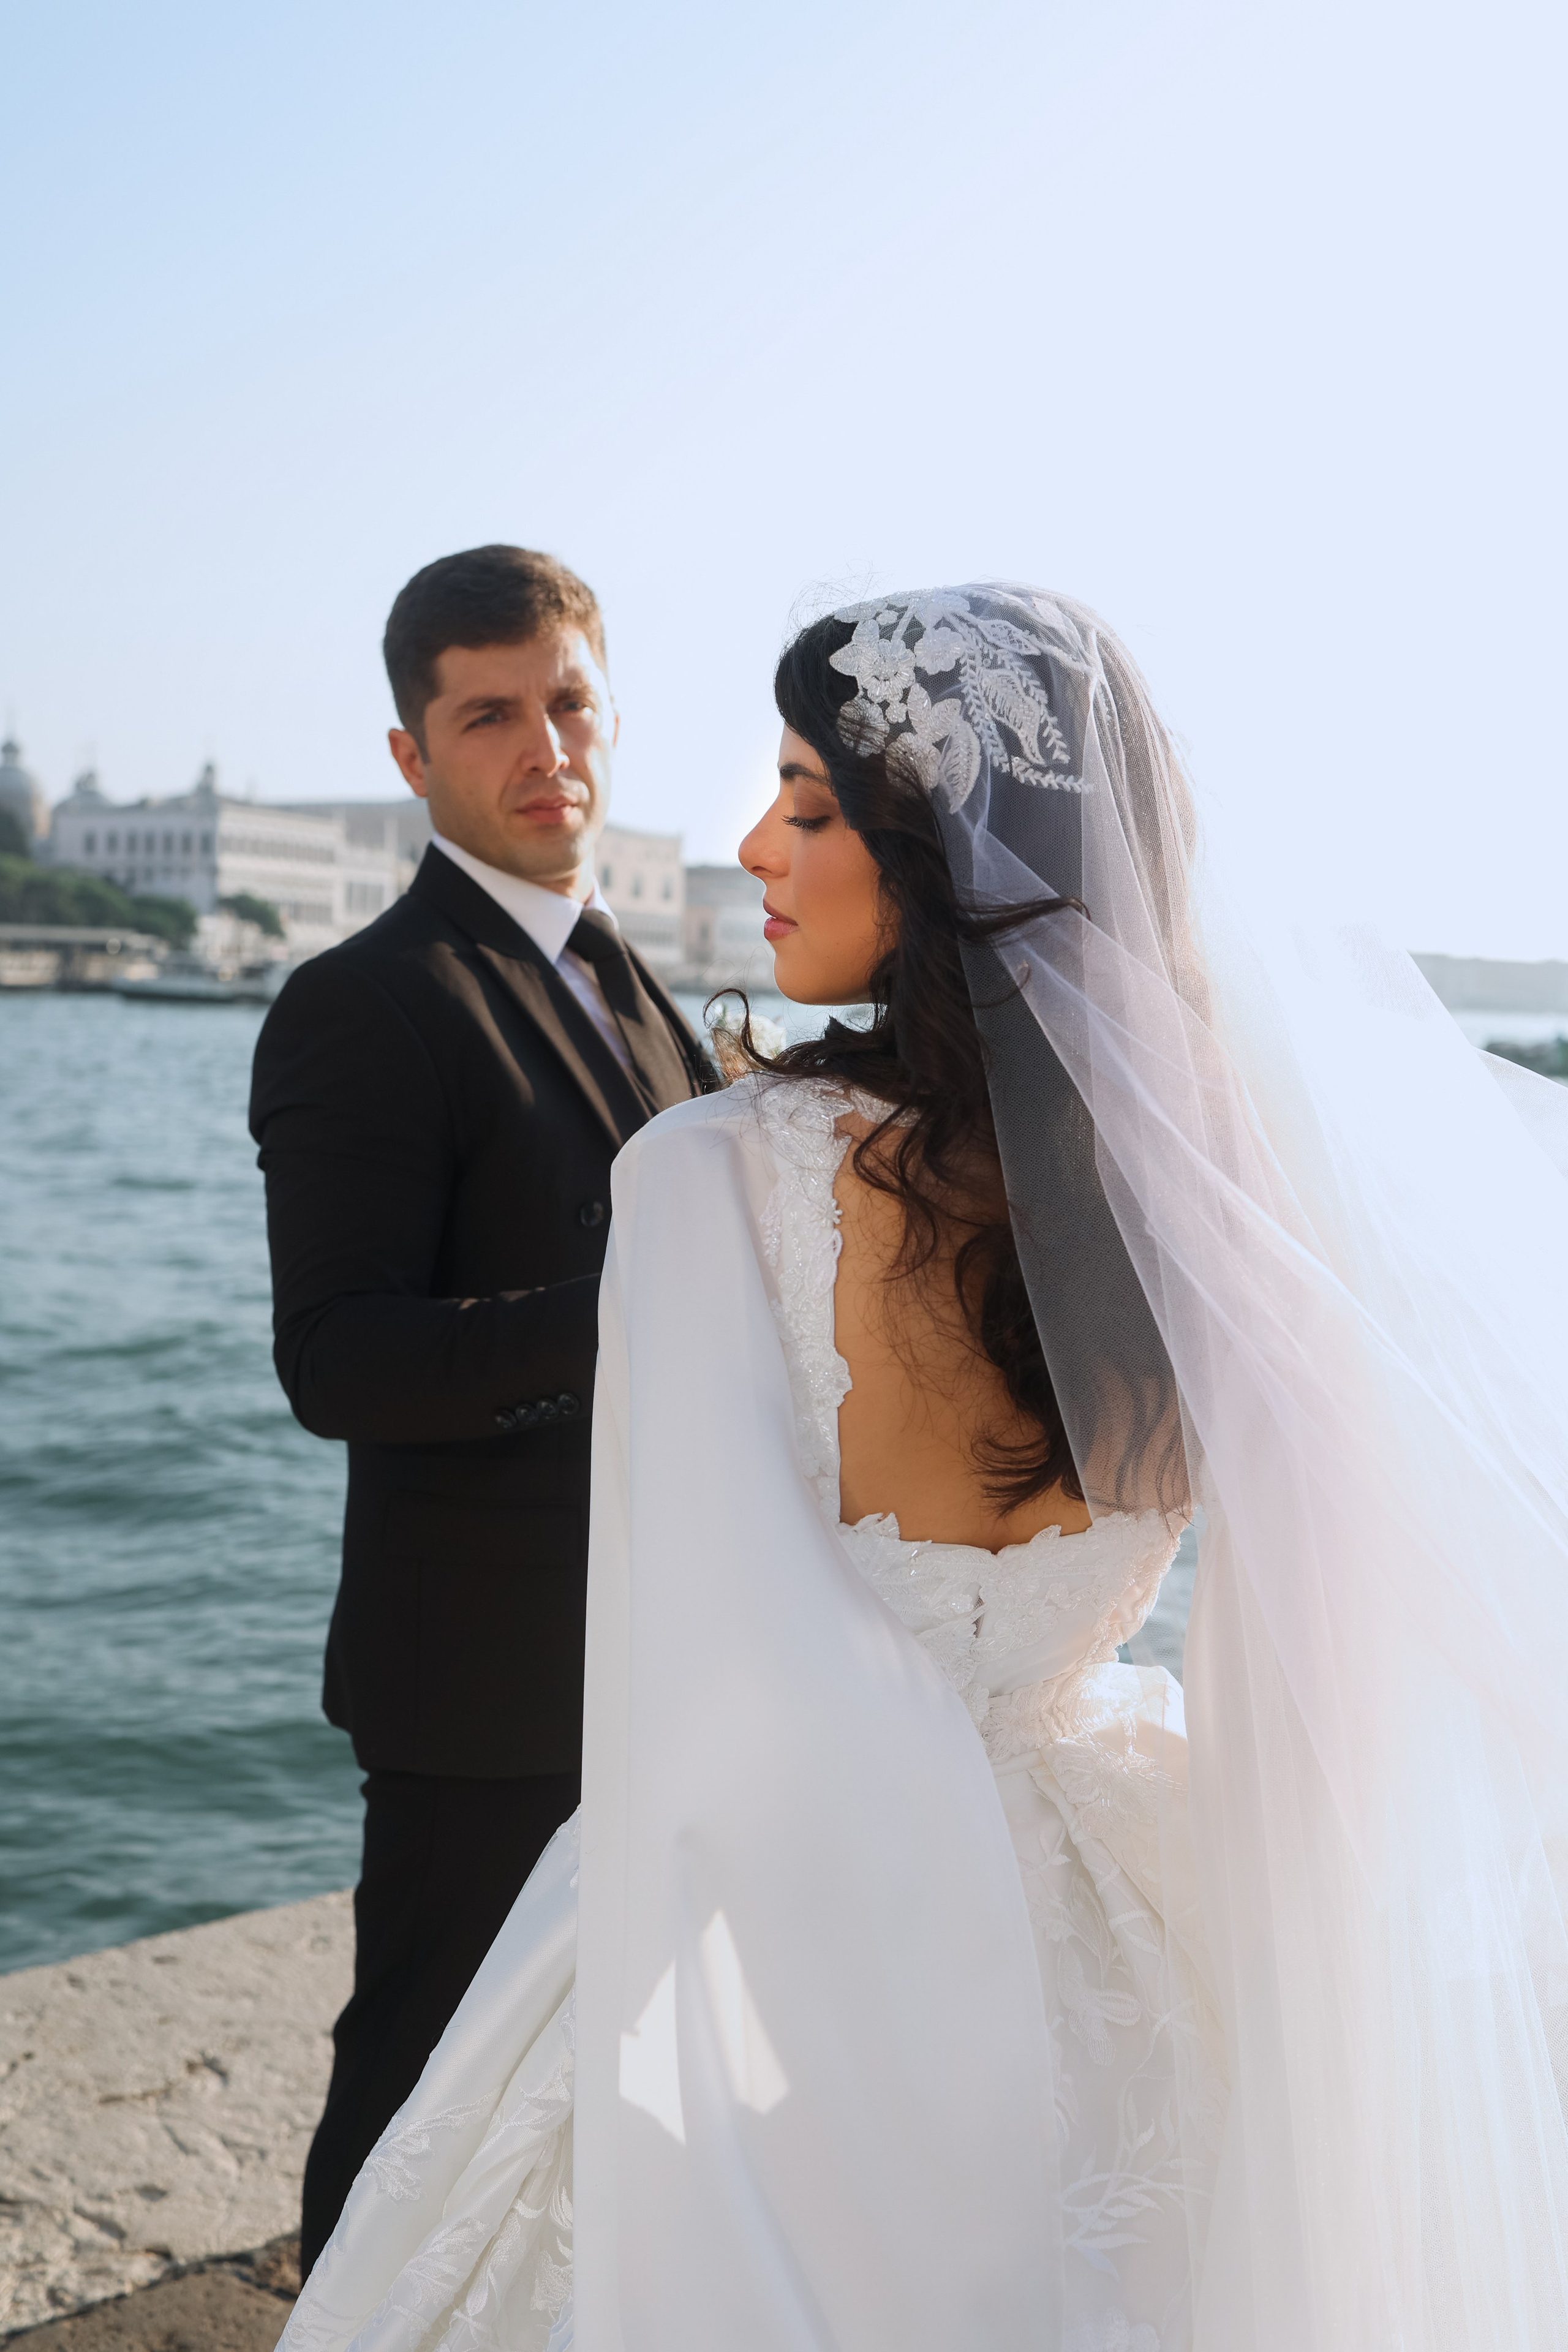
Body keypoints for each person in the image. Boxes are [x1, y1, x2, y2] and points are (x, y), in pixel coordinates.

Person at [279, 586, 1568, 2350]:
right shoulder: (1220, 1190)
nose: (752, 841)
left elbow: (728, 1705)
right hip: (1138, 1877)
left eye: (810, 806)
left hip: (795, 1908)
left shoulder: (717, 1174)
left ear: (939, 856)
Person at [249, 545, 709, 2276]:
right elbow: (340, 1360)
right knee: (417, 2080)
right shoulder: (363, 1005)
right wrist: (621, 1319)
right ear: (412, 756)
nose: (546, 746)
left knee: (594, 2087)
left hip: (661, 1649)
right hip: (480, 1679)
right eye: (491, 713)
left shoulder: (631, 977)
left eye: (570, 701)